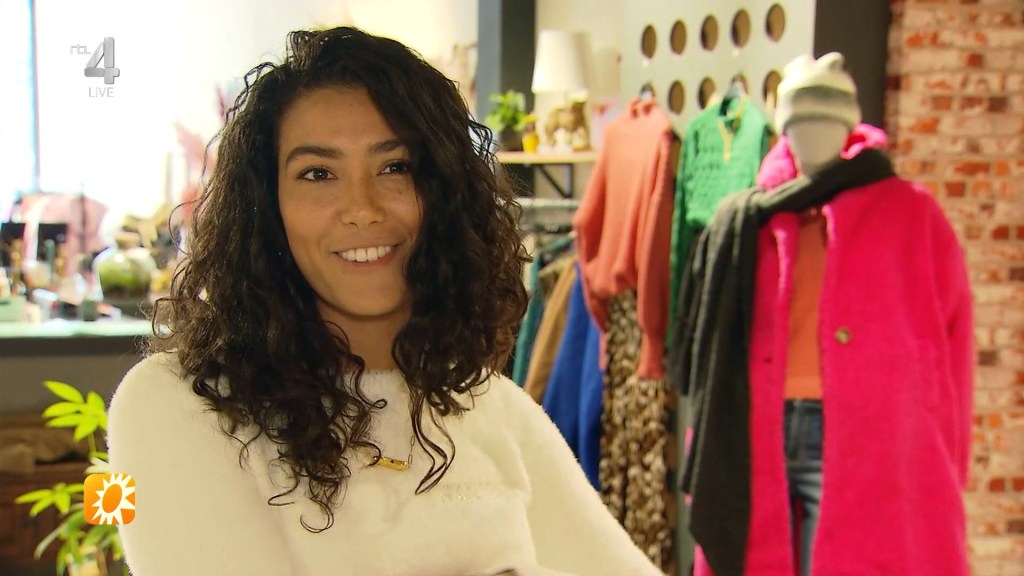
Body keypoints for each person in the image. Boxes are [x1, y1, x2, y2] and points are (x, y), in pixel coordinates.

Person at [106, 26, 663, 576]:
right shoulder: (173, 405)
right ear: (267, 207)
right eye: (318, 174)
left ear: (442, 192)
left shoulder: (492, 407)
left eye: (395, 167)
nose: (363, 208)